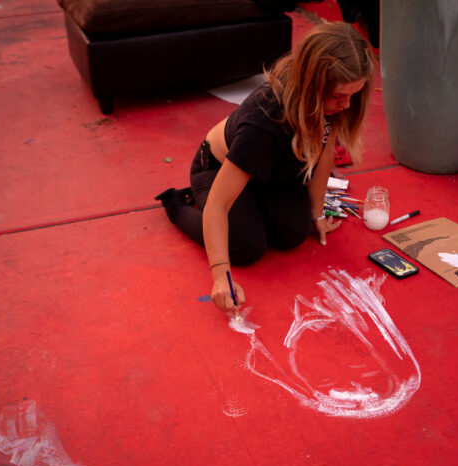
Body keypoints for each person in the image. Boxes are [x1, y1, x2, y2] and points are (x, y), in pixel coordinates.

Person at [155, 22, 375, 315]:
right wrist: (221, 276)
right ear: (312, 86)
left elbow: (324, 153)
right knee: (245, 248)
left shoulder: (328, 104)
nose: (347, 105)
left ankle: (252, 207)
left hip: (270, 172)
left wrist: (319, 212)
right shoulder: (264, 120)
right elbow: (220, 204)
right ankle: (176, 203)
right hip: (217, 168)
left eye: (354, 95)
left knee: (294, 233)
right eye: (339, 96)